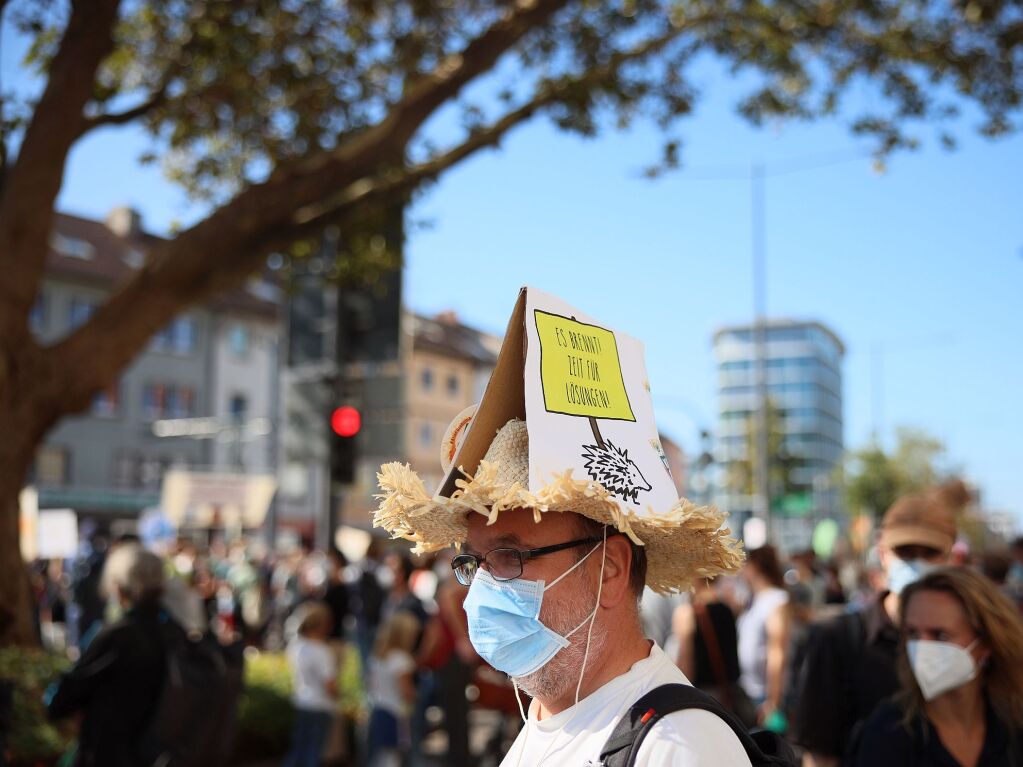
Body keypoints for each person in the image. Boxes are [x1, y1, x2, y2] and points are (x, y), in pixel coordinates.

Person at [375, 416, 751, 765]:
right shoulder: (547, 714)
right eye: (474, 562)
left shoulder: (678, 744)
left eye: (509, 555)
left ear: (610, 569)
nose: (483, 588)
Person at [791, 484, 962, 767]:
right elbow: (819, 756)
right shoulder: (837, 640)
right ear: (883, 553)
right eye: (904, 551)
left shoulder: (970, 641)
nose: (916, 563)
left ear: (951, 558)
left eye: (929, 552)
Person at [853, 567, 1023, 766]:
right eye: (913, 634)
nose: (922, 648)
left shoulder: (1013, 723)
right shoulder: (887, 731)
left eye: (940, 635)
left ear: (985, 644)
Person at [47, 544, 172, 767]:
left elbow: (60, 699)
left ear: (118, 587)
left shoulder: (115, 635)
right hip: (162, 754)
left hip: (107, 754)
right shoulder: (175, 632)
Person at [673, 578, 755, 727]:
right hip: (729, 693)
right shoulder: (727, 608)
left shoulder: (687, 613)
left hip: (702, 696)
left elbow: (686, 664)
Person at [736, 545, 790, 727]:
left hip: (765, 696)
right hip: (750, 691)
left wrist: (773, 701)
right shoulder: (753, 600)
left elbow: (778, 652)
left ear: (755, 567)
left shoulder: (776, 600)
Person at [283, 601, 338, 767]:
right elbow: (330, 685)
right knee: (312, 752)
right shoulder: (322, 651)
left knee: (299, 749)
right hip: (320, 705)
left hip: (302, 701)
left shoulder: (296, 646)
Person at [367, 611, 420, 767]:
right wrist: (416, 696)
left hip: (378, 708)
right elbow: (406, 691)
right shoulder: (402, 660)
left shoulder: (377, 657)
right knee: (394, 757)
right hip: (395, 712)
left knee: (381, 756)